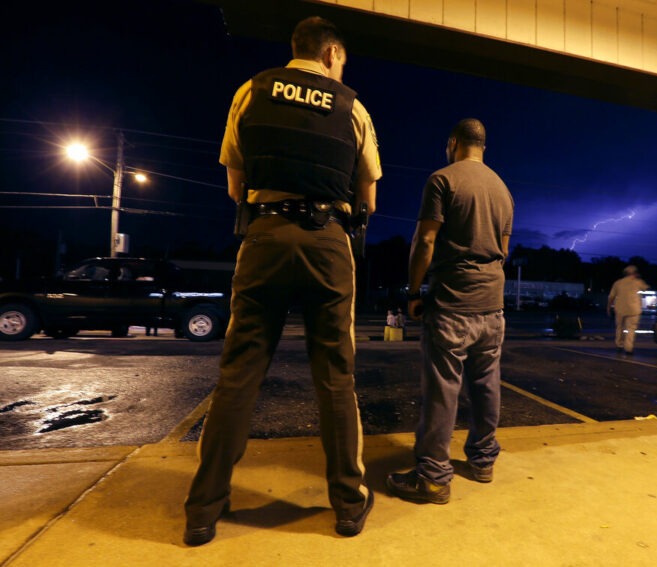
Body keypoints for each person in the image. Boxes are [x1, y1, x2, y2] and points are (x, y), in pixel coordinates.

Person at [183, 16, 381, 546]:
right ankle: (346, 502)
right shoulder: (352, 107)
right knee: (336, 376)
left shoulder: (251, 92)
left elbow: (234, 185)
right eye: (345, 59)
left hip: (265, 238)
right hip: (328, 245)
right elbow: (369, 200)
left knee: (240, 372)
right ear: (332, 53)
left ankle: (203, 509)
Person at [386, 119, 514, 504]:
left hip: (452, 303)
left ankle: (434, 477)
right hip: (493, 305)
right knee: (487, 384)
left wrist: (413, 291)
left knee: (443, 389)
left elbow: (426, 239)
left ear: (453, 143)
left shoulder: (442, 180)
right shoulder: (504, 191)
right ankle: (483, 460)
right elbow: (504, 251)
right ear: (483, 147)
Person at [607, 265, 649, 355]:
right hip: (634, 310)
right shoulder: (638, 282)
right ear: (634, 273)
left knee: (619, 327)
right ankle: (629, 348)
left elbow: (611, 297)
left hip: (620, 309)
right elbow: (646, 289)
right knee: (631, 329)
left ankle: (619, 345)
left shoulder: (618, 283)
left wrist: (608, 308)